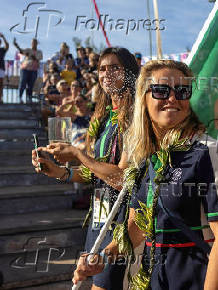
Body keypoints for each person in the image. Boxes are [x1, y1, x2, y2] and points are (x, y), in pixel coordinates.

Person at [72, 60, 218, 289]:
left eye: (182, 91)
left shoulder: (211, 153)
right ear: (143, 98)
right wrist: (103, 257)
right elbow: (136, 228)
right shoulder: (146, 159)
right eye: (161, 90)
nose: (172, 98)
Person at [32, 47, 139, 290]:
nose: (106, 74)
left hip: (126, 217)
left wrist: (78, 154)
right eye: (102, 69)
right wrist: (61, 171)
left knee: (105, 285)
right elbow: (95, 172)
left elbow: (122, 179)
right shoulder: (102, 118)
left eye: (115, 67)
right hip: (99, 210)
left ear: (131, 74)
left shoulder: (137, 118)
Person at [13, 38, 43, 103]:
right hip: (25, 69)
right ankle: (20, 97)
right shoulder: (28, 50)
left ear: (37, 44)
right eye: (32, 42)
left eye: (35, 42)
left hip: (34, 70)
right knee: (23, 82)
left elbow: (38, 58)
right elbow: (21, 51)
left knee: (31, 85)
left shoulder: (39, 52)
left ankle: (29, 98)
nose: (33, 44)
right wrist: (16, 45)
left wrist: (32, 56)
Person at [0, 33, 9, 104]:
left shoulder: (2, 50)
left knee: (0, 84)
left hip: (1, 68)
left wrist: (3, 37)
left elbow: (7, 45)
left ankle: (0, 98)